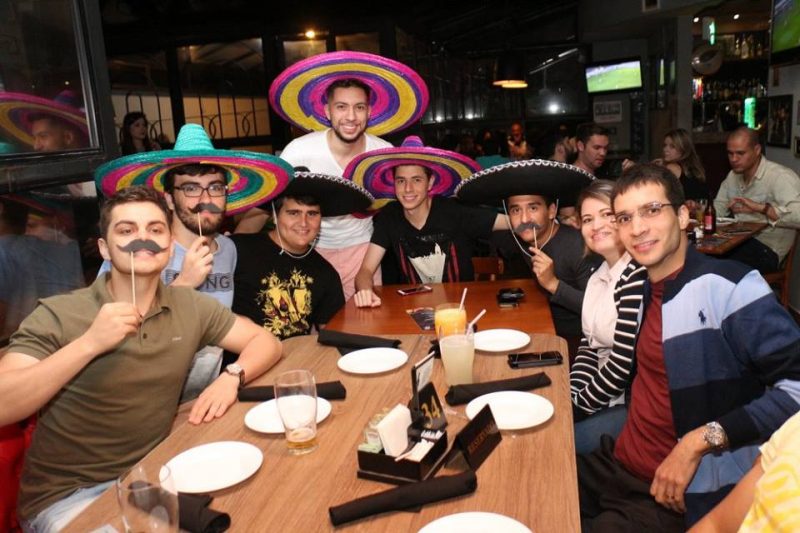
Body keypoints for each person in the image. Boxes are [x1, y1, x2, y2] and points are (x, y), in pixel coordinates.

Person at [0, 186, 283, 533]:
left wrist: (232, 376)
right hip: (69, 496)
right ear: (104, 247)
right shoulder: (60, 313)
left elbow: (265, 342)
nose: (143, 239)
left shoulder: (189, 305)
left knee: (265, 506)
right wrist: (90, 343)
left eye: (155, 229)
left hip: (152, 476)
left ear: (169, 246)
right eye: (126, 230)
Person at [578, 163, 800, 531]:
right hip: (619, 461)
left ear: (683, 216)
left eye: (652, 210)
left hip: (674, 491)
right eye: (625, 217)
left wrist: (699, 440)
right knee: (533, 480)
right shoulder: (643, 288)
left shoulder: (730, 288)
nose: (637, 228)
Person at [94, 123, 293, 401]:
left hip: (204, 397)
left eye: (215, 187)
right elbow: (108, 337)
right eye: (190, 188)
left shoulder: (228, 250)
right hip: (140, 402)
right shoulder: (137, 251)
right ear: (169, 199)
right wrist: (184, 283)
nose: (205, 199)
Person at [252, 51, 429, 300]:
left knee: (366, 319)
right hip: (307, 250)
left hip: (362, 253)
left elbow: (401, 201)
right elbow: (267, 204)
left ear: (369, 111)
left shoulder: (382, 153)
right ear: (327, 111)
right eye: (341, 107)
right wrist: (238, 249)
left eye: (359, 107)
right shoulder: (299, 151)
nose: (351, 117)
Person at [455, 159, 598, 346]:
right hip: (539, 327)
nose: (524, 219)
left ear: (551, 211)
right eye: (515, 210)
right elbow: (474, 226)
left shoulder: (579, 247)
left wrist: (553, 284)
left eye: (533, 208)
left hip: (578, 342)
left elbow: (599, 310)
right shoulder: (521, 239)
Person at [350, 136, 503, 308]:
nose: (408, 189)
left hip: (461, 309)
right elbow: (365, 271)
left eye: (417, 180)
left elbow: (510, 222)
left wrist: (525, 216)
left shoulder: (453, 211)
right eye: (401, 181)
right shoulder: (389, 216)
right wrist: (364, 290)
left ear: (430, 183)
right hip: (415, 310)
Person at [231, 169, 372, 340]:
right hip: (242, 355)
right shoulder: (237, 250)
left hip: (297, 355)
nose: (304, 223)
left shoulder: (326, 273)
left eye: (312, 214)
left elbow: (333, 335)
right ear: (275, 216)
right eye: (294, 213)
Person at [570, 180, 647, 454]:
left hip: (631, 404)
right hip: (600, 396)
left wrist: (577, 407)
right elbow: (589, 346)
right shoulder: (597, 275)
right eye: (587, 219)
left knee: (555, 443)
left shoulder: (636, 275)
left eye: (607, 215)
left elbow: (621, 367)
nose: (596, 226)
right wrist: (572, 393)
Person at [688, 410, 800, 532]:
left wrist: (699, 440)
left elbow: (783, 402)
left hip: (721, 477)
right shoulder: (794, 429)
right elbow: (715, 525)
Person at [713, 126, 800, 273]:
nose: (734, 159)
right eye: (730, 153)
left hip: (768, 250)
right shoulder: (733, 176)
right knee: (696, 255)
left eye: (740, 153)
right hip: (738, 241)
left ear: (757, 150)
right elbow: (718, 210)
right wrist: (700, 210)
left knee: (715, 267)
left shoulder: (780, 176)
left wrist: (762, 208)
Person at [654, 128, 708, 203]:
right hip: (701, 207)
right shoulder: (695, 167)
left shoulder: (672, 167)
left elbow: (657, 192)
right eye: (665, 145)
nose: (665, 149)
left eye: (672, 146)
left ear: (683, 148)